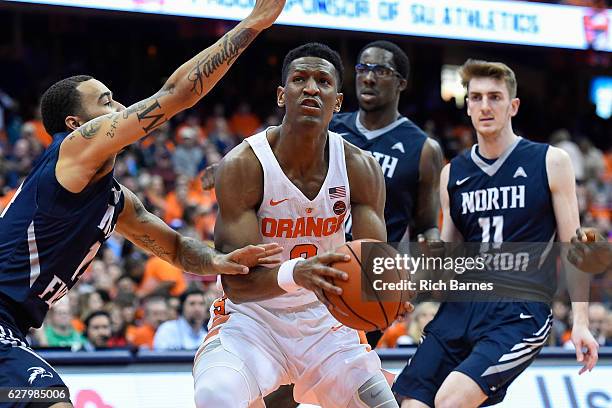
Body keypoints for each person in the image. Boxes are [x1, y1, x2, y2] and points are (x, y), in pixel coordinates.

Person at [0, 1, 285, 405]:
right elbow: (176, 94)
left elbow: (175, 248)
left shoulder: (116, 201)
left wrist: (219, 260)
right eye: (106, 101)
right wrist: (254, 24)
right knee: (50, 400)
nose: (119, 108)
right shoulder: (74, 150)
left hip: (13, 327)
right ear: (76, 125)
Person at [193, 42, 401, 408]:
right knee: (215, 395)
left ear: (337, 101)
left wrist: (392, 291)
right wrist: (297, 273)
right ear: (280, 94)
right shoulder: (244, 164)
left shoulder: (360, 167)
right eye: (299, 79)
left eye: (323, 81)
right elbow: (237, 284)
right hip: (253, 323)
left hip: (328, 326)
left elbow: (374, 266)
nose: (310, 88)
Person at [393, 59, 599, 408]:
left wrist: (580, 321)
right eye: (476, 97)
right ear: (468, 105)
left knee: (449, 401)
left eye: (495, 97)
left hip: (519, 311)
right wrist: (406, 291)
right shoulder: (452, 174)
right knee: (408, 402)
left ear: (512, 105)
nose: (485, 106)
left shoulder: (551, 161)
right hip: (460, 308)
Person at [329, 40, 443, 348]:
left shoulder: (423, 149)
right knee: (290, 384)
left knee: (343, 378)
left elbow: (426, 224)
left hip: (370, 284)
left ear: (401, 83)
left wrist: (431, 248)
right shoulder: (328, 129)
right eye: (363, 68)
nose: (368, 77)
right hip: (318, 264)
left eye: (380, 70)